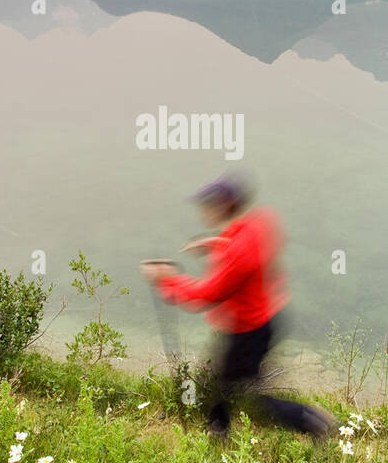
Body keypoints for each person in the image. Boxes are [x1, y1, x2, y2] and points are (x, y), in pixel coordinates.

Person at [140, 174, 335, 440]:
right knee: (222, 384)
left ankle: (310, 421)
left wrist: (166, 280)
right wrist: (214, 245)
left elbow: (208, 294)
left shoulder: (239, 250)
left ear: (223, 206)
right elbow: (242, 249)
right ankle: (217, 429)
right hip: (261, 319)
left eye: (209, 204)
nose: (204, 210)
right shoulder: (256, 222)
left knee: (249, 397)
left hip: (249, 331)